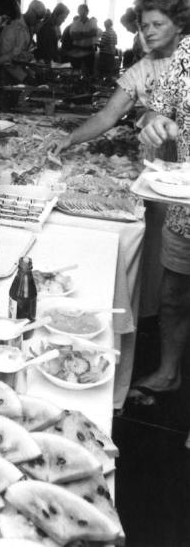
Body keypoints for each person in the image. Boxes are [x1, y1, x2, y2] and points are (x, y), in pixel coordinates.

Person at [49, 0, 186, 156]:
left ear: (179, 25)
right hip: (165, 167)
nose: (149, 32)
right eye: (144, 26)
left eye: (157, 24)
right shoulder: (140, 71)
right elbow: (107, 115)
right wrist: (70, 139)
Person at [132, 28, 190, 407]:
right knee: (174, 296)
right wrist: (155, 121)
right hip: (183, 202)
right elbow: (159, 106)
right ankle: (169, 373)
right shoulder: (187, 52)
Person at [67, 4, 100, 78]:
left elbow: (94, 33)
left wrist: (79, 34)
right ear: (78, 12)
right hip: (77, 48)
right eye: (80, 11)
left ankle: (88, 87)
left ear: (87, 12)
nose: (81, 13)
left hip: (89, 48)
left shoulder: (93, 22)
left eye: (83, 11)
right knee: (76, 70)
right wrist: (88, 34)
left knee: (90, 70)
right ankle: (75, 86)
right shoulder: (75, 23)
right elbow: (73, 37)